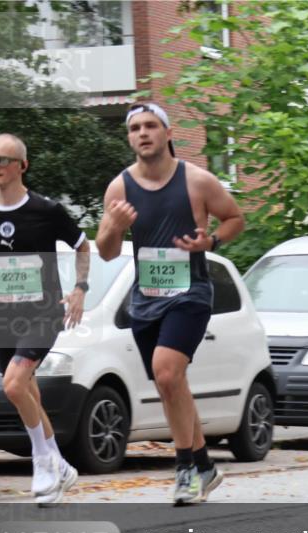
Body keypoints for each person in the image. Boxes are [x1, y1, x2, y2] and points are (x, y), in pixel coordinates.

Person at [96, 102, 245, 504]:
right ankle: (204, 466)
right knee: (170, 385)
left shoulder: (197, 180)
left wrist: (210, 242)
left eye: (150, 126)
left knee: (166, 373)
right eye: (135, 128)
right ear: (129, 137)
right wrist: (114, 226)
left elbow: (235, 218)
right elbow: (106, 252)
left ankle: (183, 469)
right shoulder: (119, 187)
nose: (142, 134)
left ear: (166, 132)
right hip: (146, 298)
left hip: (190, 293)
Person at [0, 133, 89, 505]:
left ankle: (43, 462)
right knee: (28, 390)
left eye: (2, 159)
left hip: (43, 313)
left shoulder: (46, 211)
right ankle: (60, 465)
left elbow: (82, 245)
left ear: (22, 166)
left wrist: (80, 288)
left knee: (13, 384)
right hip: (3, 315)